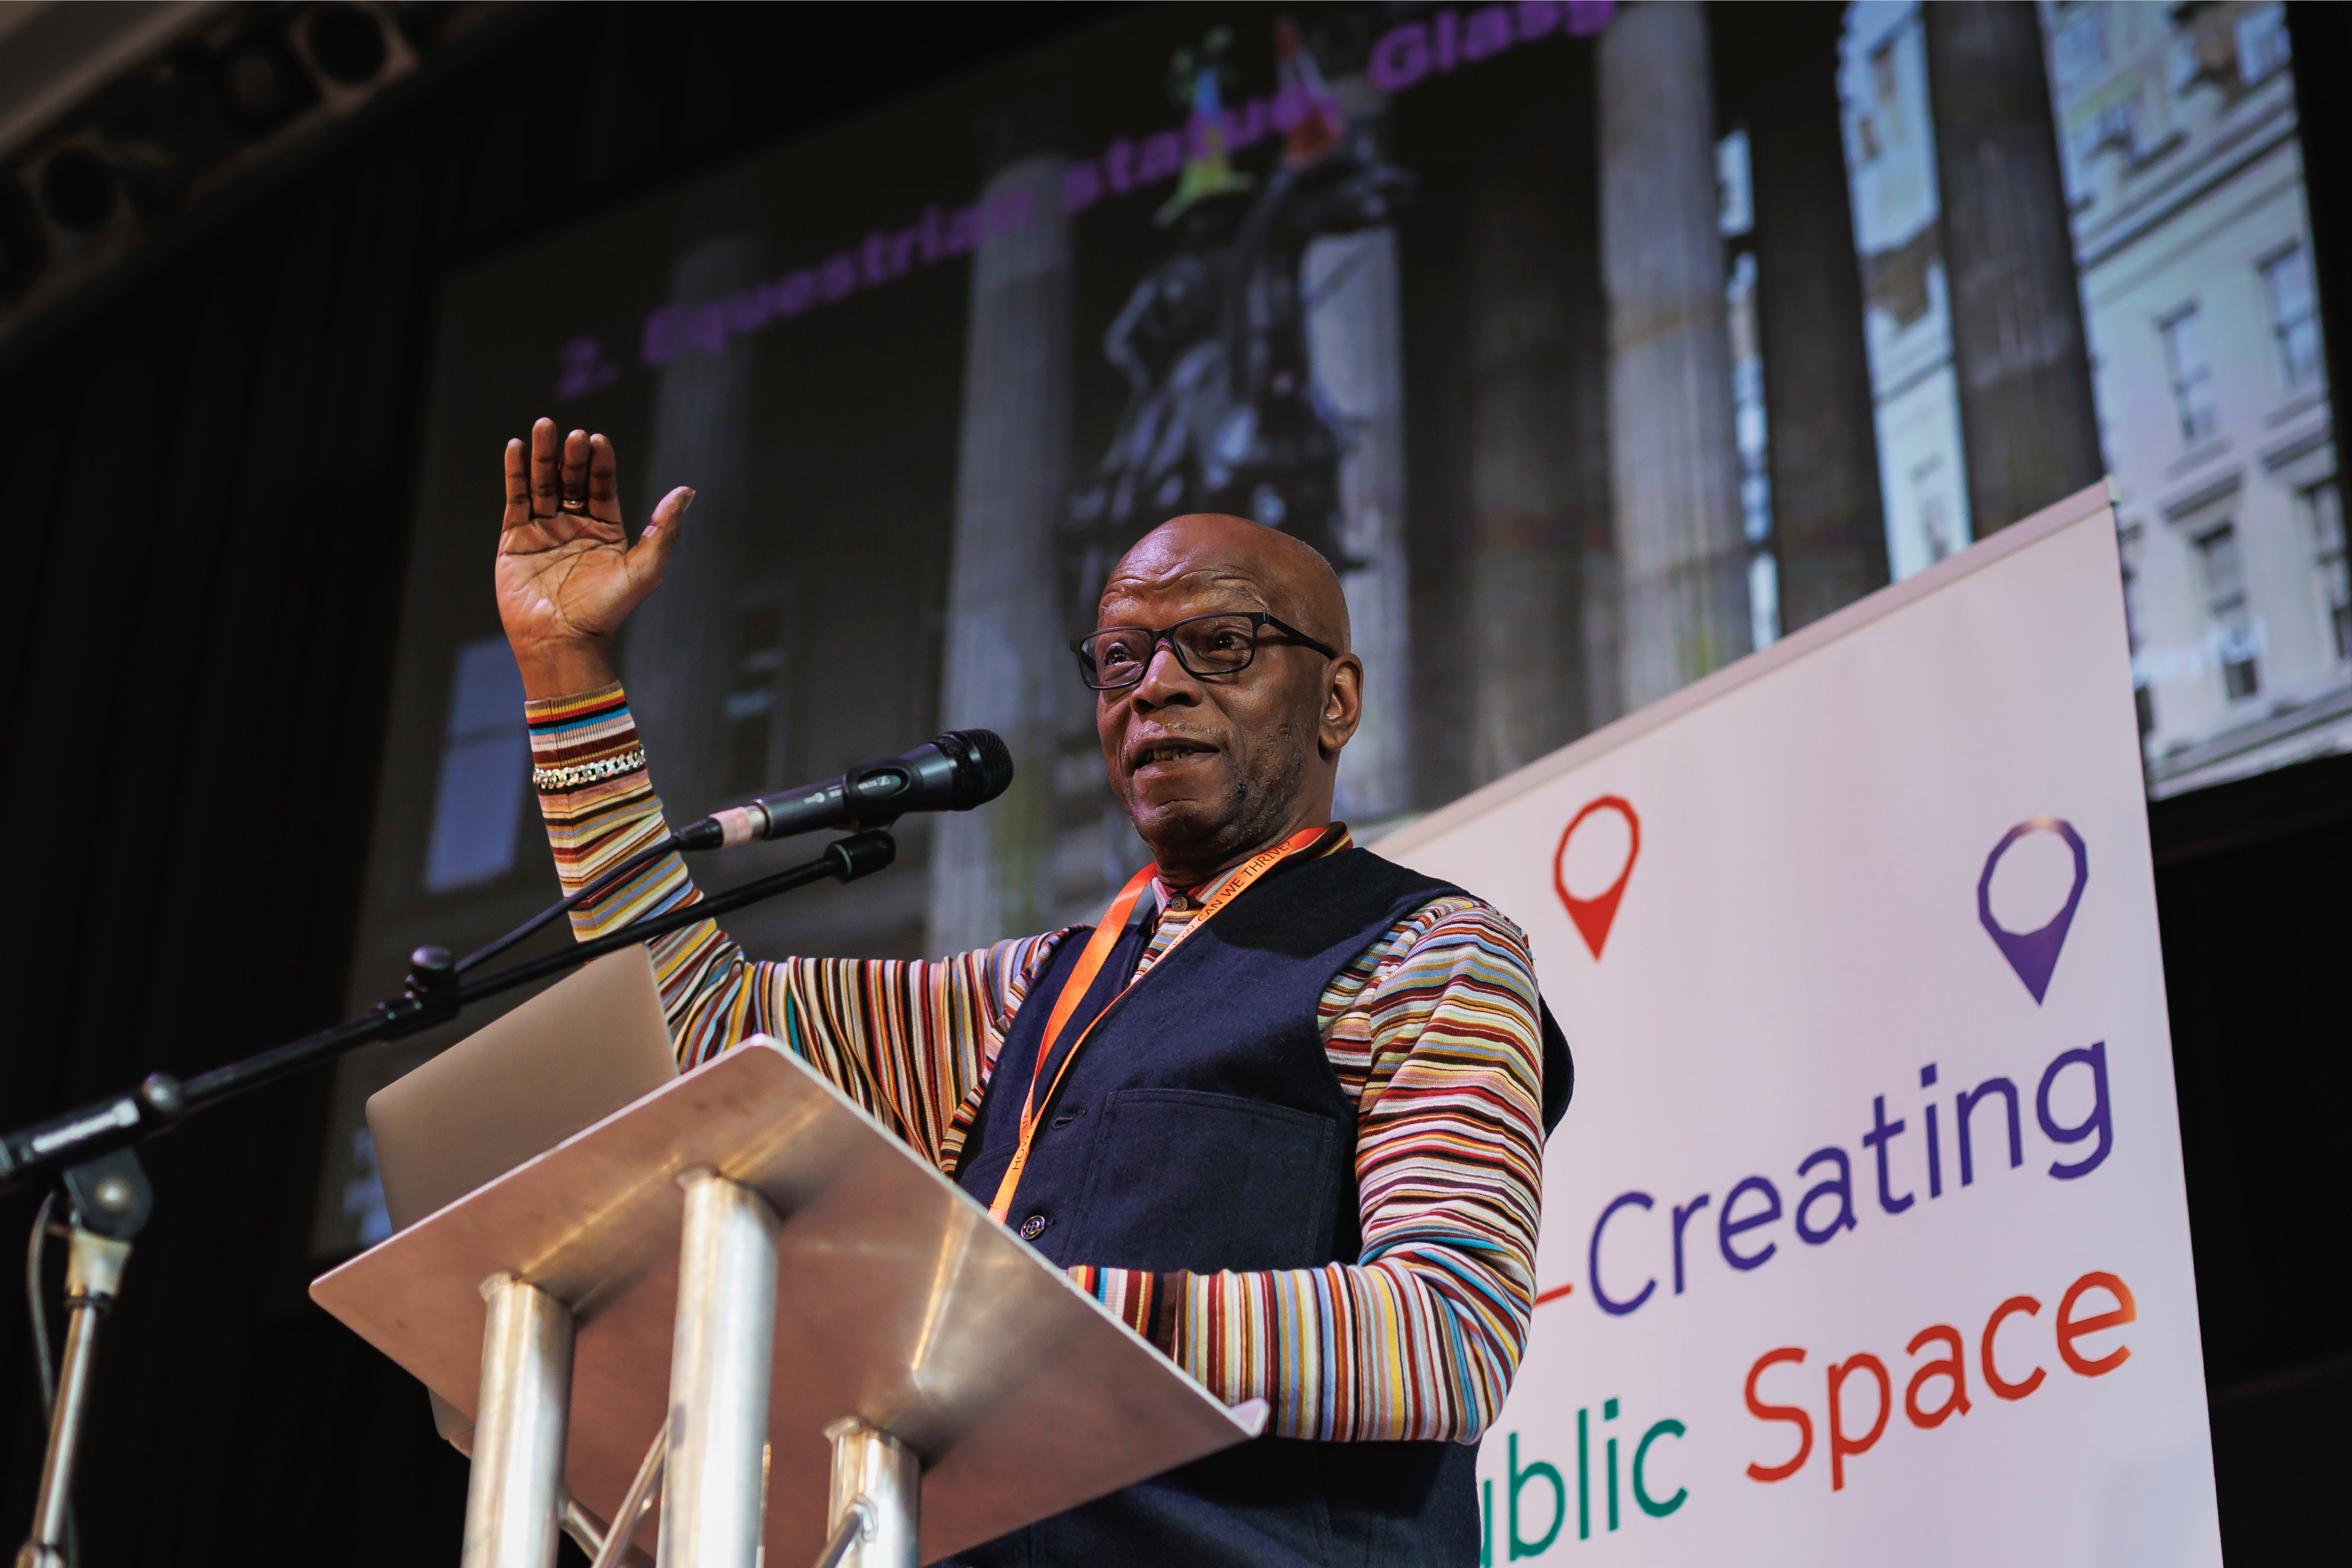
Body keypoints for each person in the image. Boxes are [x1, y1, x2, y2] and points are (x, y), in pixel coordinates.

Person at [497, 417, 1571, 1566]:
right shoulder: (1024, 992)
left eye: (1218, 642)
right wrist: (567, 676)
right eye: (1120, 655)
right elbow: (696, 1024)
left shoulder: (1427, 951)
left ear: (1334, 701)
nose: (1155, 685)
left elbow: (1444, 1333)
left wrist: (1048, 1313)